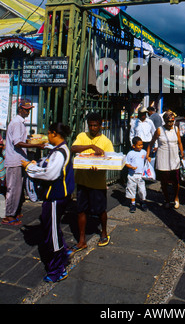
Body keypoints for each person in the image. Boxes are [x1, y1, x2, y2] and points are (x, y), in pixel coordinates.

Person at [22, 122, 74, 283]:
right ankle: (64, 252)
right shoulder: (60, 149)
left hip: (55, 197)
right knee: (50, 225)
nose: (47, 137)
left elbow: (50, 174)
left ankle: (58, 269)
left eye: (48, 134)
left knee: (51, 235)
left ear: (53, 134)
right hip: (58, 197)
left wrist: (29, 168)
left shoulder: (59, 152)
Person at [71, 112, 114, 251]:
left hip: (97, 182)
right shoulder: (82, 136)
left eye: (95, 125)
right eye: (90, 125)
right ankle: (82, 240)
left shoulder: (106, 141)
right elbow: (73, 148)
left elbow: (110, 161)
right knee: (81, 210)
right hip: (82, 180)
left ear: (100, 126)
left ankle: (104, 232)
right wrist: (91, 147)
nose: (93, 128)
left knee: (100, 210)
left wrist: (100, 167)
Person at [1, 101, 44, 226]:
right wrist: (36, 145)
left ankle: (14, 211)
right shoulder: (17, 123)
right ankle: (9, 215)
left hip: (18, 160)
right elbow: (17, 143)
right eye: (26, 109)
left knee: (17, 188)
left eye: (29, 109)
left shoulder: (19, 123)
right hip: (14, 160)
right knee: (13, 188)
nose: (28, 112)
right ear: (20, 110)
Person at [147, 110, 184, 209]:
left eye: (172, 122)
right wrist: (148, 155)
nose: (170, 124)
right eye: (168, 122)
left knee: (176, 180)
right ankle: (167, 199)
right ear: (164, 121)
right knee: (164, 181)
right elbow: (151, 143)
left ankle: (176, 198)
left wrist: (182, 153)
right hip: (163, 159)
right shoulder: (159, 130)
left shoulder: (176, 129)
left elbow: (179, 143)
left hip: (174, 158)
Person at [125, 136, 148, 213]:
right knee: (132, 189)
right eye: (139, 145)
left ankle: (142, 202)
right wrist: (131, 167)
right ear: (134, 146)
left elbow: (146, 159)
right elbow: (126, 163)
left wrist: (149, 158)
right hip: (132, 175)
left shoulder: (144, 152)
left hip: (141, 175)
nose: (141, 146)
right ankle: (133, 203)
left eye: (141, 144)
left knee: (142, 189)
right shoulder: (130, 153)